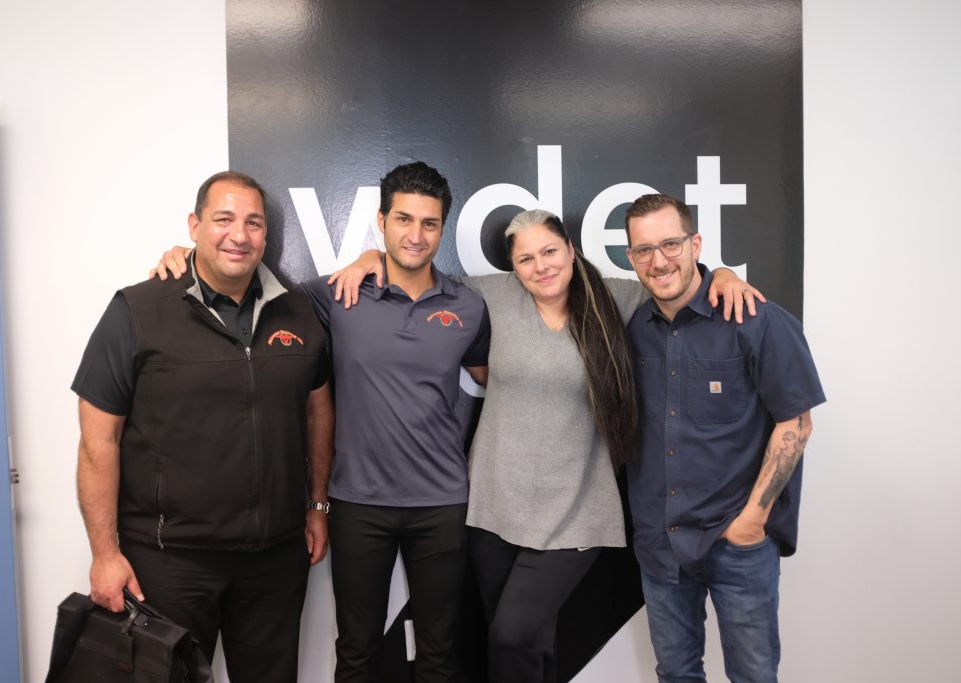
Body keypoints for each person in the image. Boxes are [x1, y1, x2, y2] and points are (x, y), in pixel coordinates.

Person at [330, 207, 761, 682]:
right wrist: (370, 255)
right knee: (528, 645)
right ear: (513, 269)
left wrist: (720, 273)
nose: (541, 266)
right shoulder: (490, 297)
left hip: (576, 512)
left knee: (512, 635)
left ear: (571, 251)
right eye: (527, 259)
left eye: (550, 251)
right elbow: (422, 276)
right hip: (493, 509)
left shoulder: (614, 299)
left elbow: (675, 281)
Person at [153, 162, 492, 683]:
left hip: (441, 503)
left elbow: (494, 379)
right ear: (381, 220)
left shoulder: (467, 306)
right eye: (403, 219)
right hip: (358, 502)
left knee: (440, 651)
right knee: (356, 649)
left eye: (429, 223)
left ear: (442, 228)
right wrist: (185, 256)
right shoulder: (336, 294)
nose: (415, 235)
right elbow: (248, 279)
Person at [73, 171, 334, 682]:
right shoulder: (138, 309)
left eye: (254, 223)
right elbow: (96, 441)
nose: (240, 235)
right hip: (170, 563)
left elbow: (318, 409)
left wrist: (317, 504)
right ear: (194, 226)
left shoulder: (299, 313)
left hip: (275, 560)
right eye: (224, 219)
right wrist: (104, 554)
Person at [623, 193, 825, 683]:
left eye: (670, 244)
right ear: (630, 257)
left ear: (696, 244)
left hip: (737, 542)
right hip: (660, 541)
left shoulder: (755, 319)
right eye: (643, 249)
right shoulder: (633, 323)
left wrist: (753, 520)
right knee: (675, 673)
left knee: (753, 676)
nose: (659, 260)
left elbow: (795, 424)